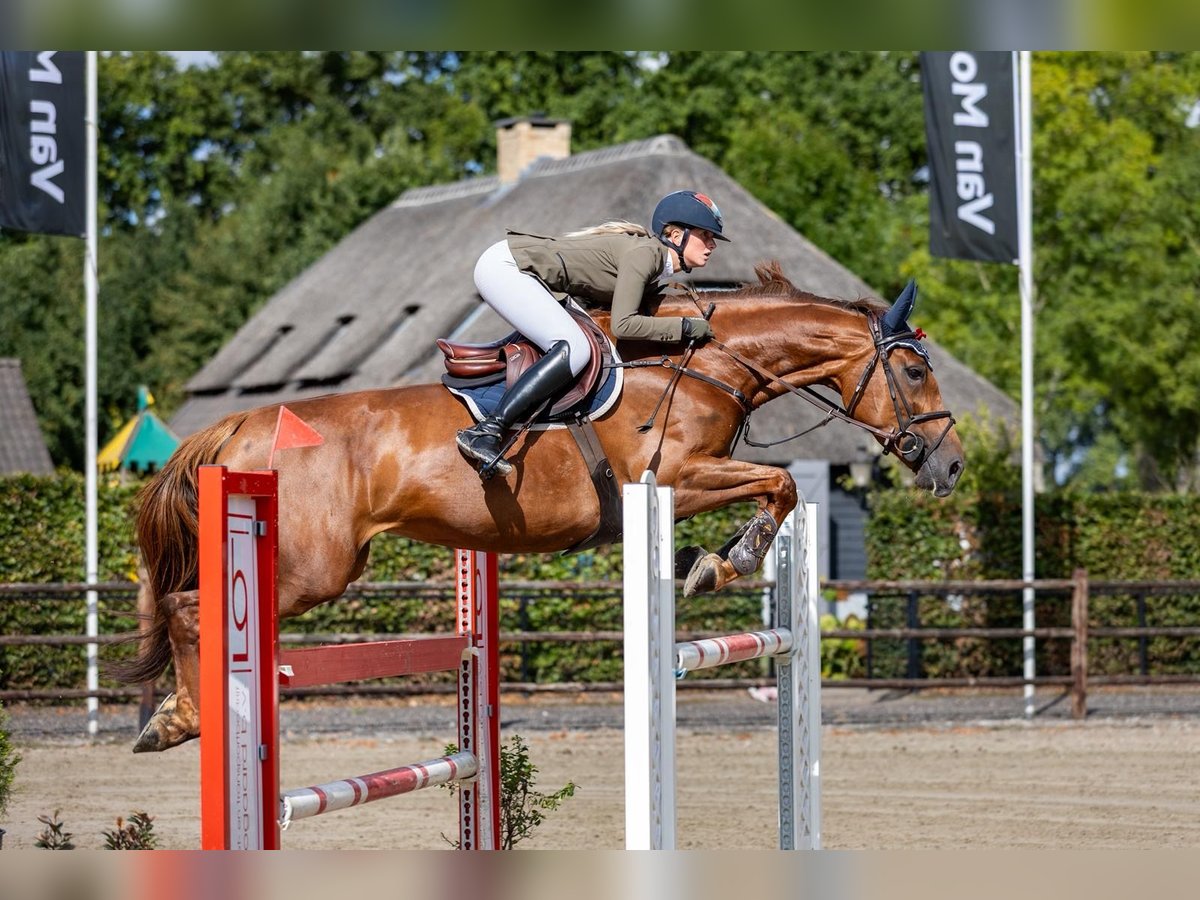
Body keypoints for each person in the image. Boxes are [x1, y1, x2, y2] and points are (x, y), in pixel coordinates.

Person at [456, 190, 730, 476]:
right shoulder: (646, 255)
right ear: (676, 236)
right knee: (575, 348)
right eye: (705, 235)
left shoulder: (654, 265)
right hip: (506, 268)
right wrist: (684, 327)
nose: (712, 244)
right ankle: (487, 431)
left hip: (516, 268)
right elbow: (624, 325)